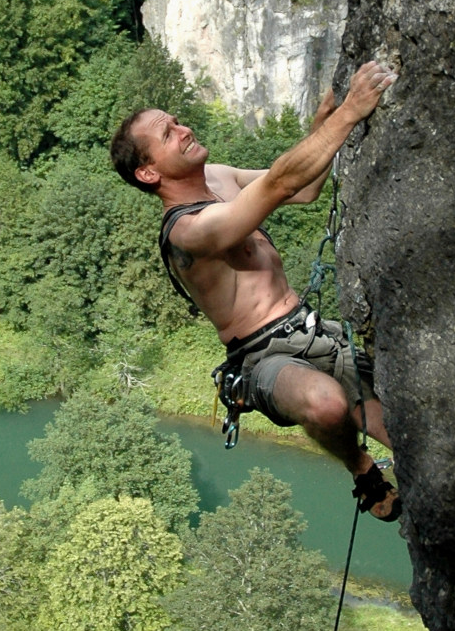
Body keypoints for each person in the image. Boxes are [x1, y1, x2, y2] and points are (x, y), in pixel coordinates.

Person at [109, 61, 401, 521]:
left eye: (177, 121)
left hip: (311, 331)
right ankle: (361, 468)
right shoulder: (185, 233)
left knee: (412, 431)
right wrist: (349, 113)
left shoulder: (220, 177)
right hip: (264, 358)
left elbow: (301, 190)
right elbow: (281, 180)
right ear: (148, 173)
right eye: (168, 134)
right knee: (325, 404)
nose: (184, 130)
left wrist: (321, 126)